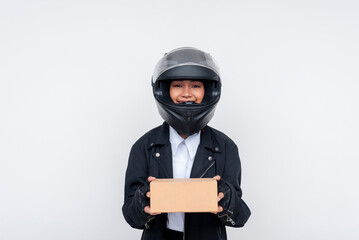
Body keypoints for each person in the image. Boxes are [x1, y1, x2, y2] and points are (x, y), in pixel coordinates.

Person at [122, 47, 251, 240]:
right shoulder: (144, 146)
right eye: (178, 85)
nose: (187, 93)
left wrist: (228, 199)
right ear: (165, 90)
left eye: (196, 86)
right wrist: (143, 202)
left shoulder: (225, 148)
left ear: (208, 91)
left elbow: (240, 217)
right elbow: (131, 217)